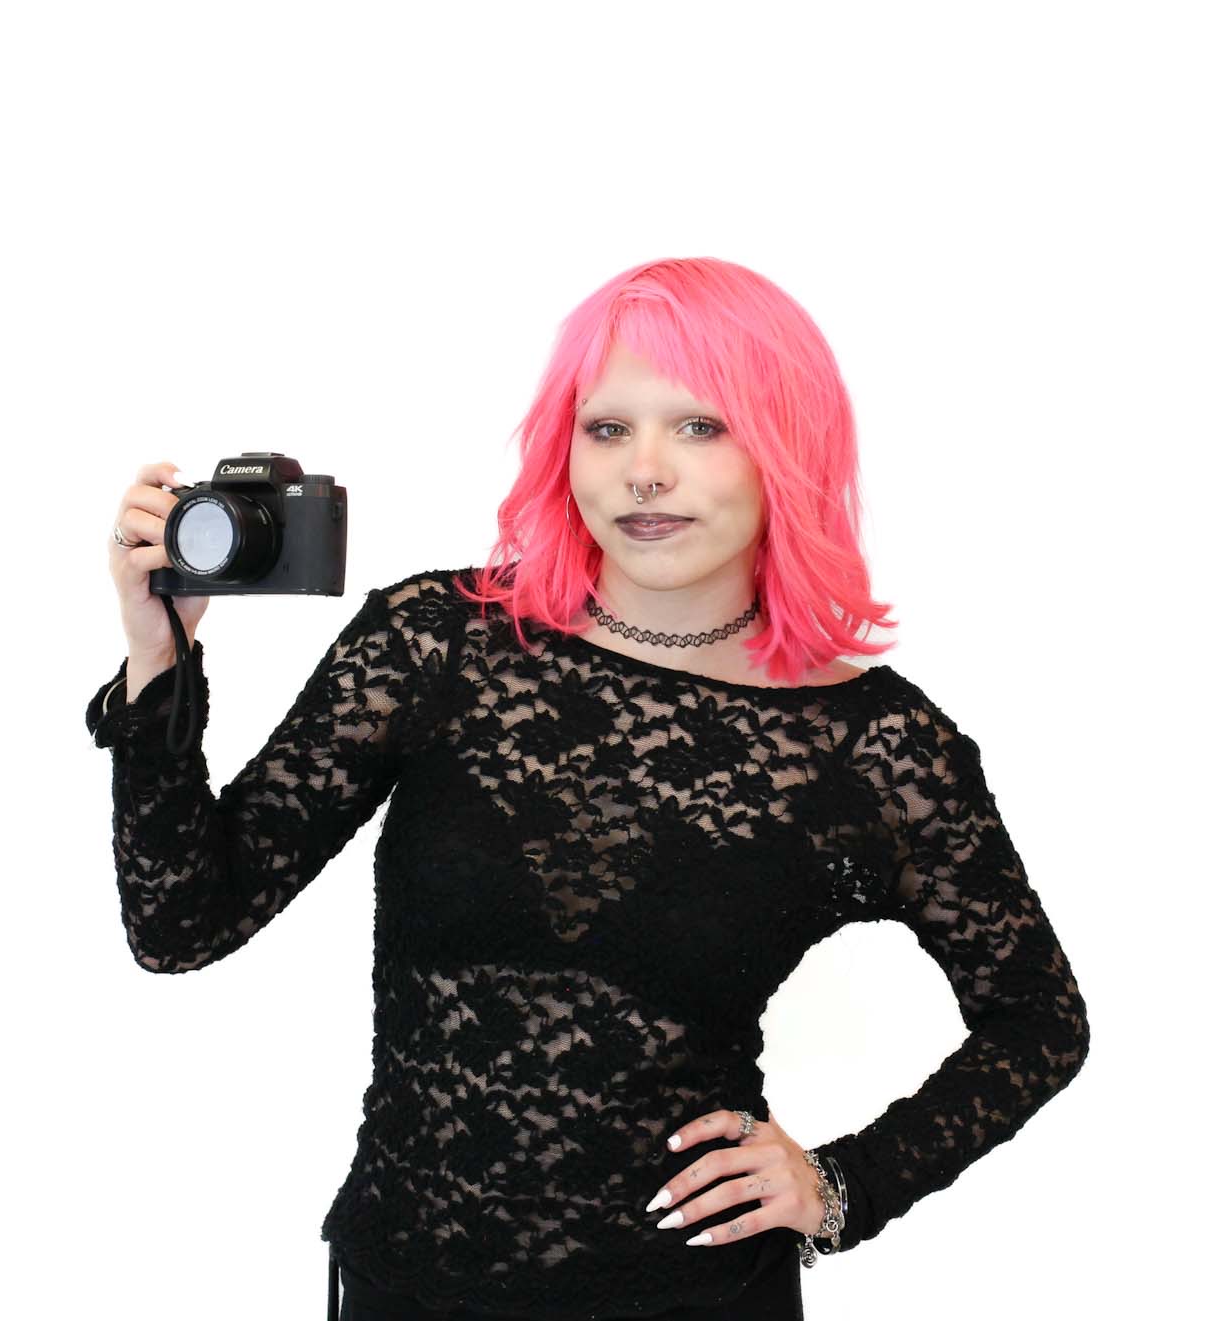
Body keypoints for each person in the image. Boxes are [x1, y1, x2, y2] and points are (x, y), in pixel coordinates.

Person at [86, 257, 1091, 1321]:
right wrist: (158, 657)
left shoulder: (874, 747)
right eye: (607, 428)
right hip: (407, 1290)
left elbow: (1038, 1020)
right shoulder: (438, 644)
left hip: (691, 1295)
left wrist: (842, 1185)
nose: (643, 471)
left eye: (701, 426)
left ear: (787, 448)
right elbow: (180, 923)